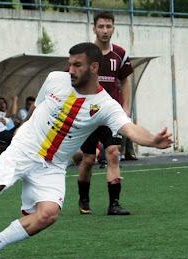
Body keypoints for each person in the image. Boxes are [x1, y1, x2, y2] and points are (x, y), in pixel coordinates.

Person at [0, 42, 173, 259]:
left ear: (94, 67)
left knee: (48, 214)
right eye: (69, 64)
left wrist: (152, 140)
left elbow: (129, 128)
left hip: (52, 165)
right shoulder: (54, 79)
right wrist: (18, 132)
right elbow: (37, 109)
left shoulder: (106, 105)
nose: (70, 69)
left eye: (77, 65)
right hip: (25, 148)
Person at [77, 11, 135, 216]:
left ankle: (114, 203)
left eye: (108, 26)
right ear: (94, 28)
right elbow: (73, 81)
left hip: (112, 115)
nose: (104, 30)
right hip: (88, 115)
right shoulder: (84, 55)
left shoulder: (120, 54)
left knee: (113, 154)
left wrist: (126, 108)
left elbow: (125, 80)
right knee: (88, 159)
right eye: (101, 26)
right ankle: (83, 198)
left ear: (113, 28)